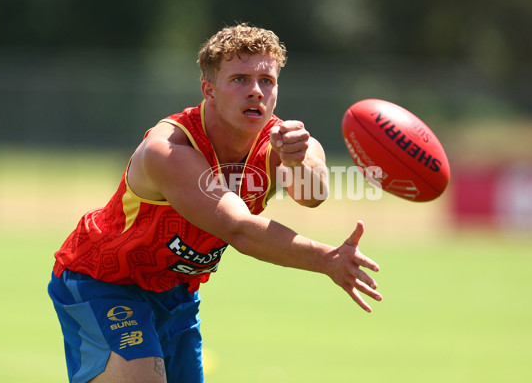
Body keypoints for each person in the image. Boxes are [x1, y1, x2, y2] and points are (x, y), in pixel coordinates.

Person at [48, 23, 382, 383]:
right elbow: (238, 228)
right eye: (239, 79)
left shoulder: (284, 143)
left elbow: (313, 194)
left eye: (266, 81)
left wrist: (298, 161)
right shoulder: (170, 149)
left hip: (176, 293)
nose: (256, 91)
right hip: (104, 279)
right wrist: (326, 259)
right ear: (209, 90)